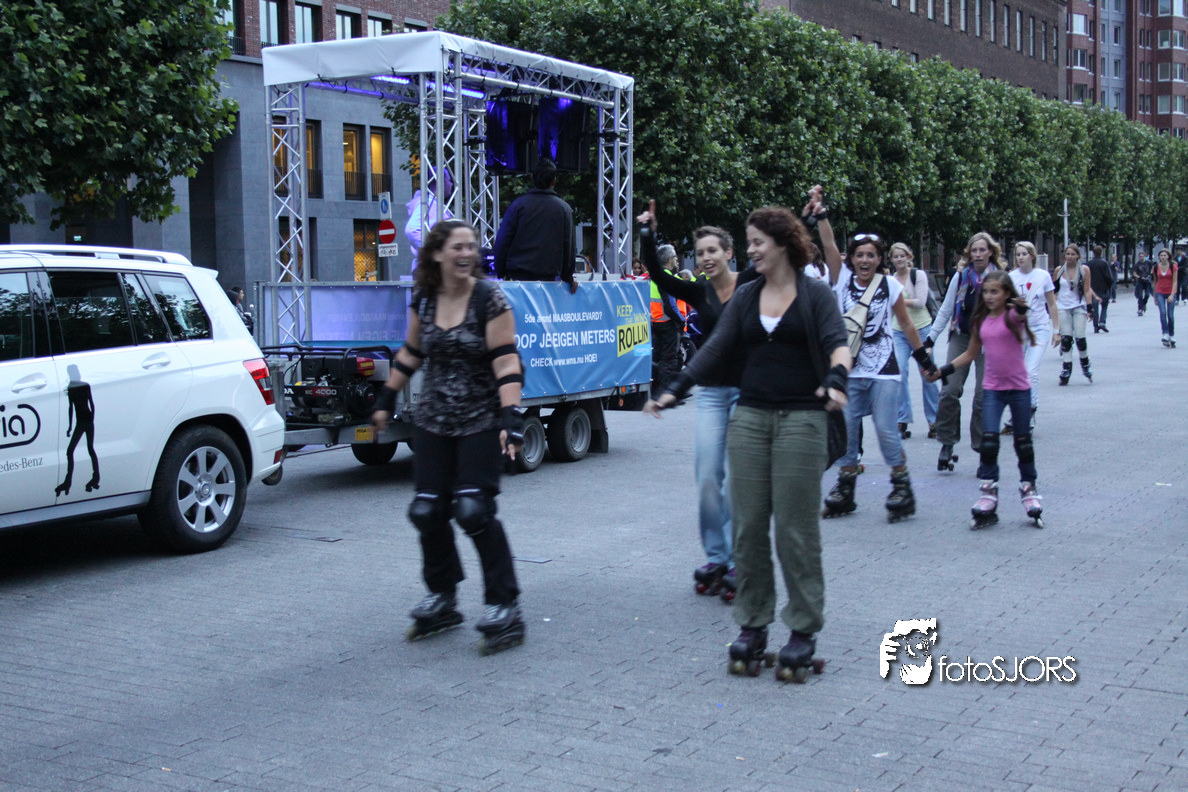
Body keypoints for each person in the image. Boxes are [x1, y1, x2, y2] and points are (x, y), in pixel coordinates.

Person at [644, 205, 849, 682]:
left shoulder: (814, 294)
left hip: (803, 416)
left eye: (757, 242)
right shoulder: (748, 295)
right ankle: (753, 624)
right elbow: (717, 345)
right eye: (749, 241)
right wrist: (677, 386)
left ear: (781, 244)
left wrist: (837, 378)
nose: (751, 249)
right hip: (751, 417)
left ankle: (802, 629)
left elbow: (837, 342)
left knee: (795, 530)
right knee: (749, 527)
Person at [371, 219, 527, 655]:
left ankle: (505, 603)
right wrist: (386, 397)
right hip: (433, 419)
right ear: (437, 253)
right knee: (427, 510)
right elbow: (412, 352)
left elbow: (506, 361)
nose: (466, 254)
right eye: (457, 246)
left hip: (481, 419)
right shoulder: (424, 298)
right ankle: (442, 595)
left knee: (473, 510)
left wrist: (511, 418)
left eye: (471, 247)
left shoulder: (489, 298)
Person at [637, 204, 742, 601]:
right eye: (700, 253)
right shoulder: (698, 290)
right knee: (708, 479)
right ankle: (717, 557)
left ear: (729, 253)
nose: (706, 258)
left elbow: (787, 259)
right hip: (713, 393)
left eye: (713, 250)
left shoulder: (751, 284)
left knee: (739, 483)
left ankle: (740, 560)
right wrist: (647, 234)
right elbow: (657, 273)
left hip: (748, 394)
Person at [822, 233, 936, 522]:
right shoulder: (842, 280)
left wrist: (923, 359)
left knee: (886, 430)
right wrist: (821, 217)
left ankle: (902, 487)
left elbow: (906, 324)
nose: (865, 260)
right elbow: (829, 246)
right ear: (851, 258)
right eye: (859, 254)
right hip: (850, 370)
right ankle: (845, 488)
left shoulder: (890, 285)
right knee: (847, 430)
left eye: (871, 255)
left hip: (884, 369)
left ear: (879, 259)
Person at [926, 271, 1043, 529]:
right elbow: (970, 354)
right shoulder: (980, 321)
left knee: (1023, 443)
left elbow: (1021, 316)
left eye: (995, 292)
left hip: (1019, 388)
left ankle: (1029, 489)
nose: (989, 296)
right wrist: (942, 371)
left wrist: (1020, 307)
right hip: (993, 389)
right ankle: (988, 493)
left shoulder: (1012, 316)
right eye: (986, 292)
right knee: (988, 442)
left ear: (1006, 294)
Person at [924, 232, 1002, 472]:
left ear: (990, 252)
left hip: (989, 342)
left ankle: (982, 451)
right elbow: (946, 309)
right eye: (974, 250)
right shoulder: (960, 277)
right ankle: (947, 443)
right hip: (961, 336)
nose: (977, 255)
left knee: (982, 397)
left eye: (982, 250)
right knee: (949, 390)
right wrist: (930, 339)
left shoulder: (999, 278)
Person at [492, 158, 577, 293]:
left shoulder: (518, 206)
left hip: (518, 280)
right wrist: (568, 277)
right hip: (549, 284)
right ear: (554, 181)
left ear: (532, 178)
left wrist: (502, 272)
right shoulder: (563, 209)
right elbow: (569, 248)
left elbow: (502, 242)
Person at [1006, 242, 1059, 433]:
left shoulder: (1042, 276)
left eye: (1024, 254)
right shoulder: (1011, 277)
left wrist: (1056, 329)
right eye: (1018, 254)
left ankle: (1030, 410)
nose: (1021, 257)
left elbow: (1051, 304)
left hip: (1039, 328)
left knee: (1031, 371)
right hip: (1018, 330)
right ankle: (1017, 411)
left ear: (1032, 256)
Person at [889, 242, 939, 440]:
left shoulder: (918, 275)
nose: (899, 259)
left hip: (921, 329)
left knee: (928, 373)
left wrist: (898, 301)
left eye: (902, 255)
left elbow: (920, 302)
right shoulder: (890, 279)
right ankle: (902, 419)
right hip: (899, 331)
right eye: (896, 256)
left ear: (908, 257)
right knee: (899, 372)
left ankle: (934, 421)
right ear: (891, 259)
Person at [1054, 244, 1094, 385]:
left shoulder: (1084, 270)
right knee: (1066, 339)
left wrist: (1090, 308)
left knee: (1080, 338)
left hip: (1079, 306)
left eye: (1072, 254)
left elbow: (1087, 289)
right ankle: (1066, 368)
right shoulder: (1059, 271)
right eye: (1067, 254)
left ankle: (1085, 363)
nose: (1070, 257)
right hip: (1063, 307)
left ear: (1078, 256)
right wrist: (1053, 310)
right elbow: (1055, 291)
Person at [1085, 245, 1114, 333]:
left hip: (1092, 288)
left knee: (1095, 307)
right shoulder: (1104, 263)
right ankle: (1102, 322)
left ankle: (1095, 326)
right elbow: (1109, 277)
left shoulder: (1089, 264)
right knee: (1104, 306)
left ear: (1093, 253)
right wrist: (1109, 286)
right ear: (1101, 252)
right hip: (1103, 288)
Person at [1153, 249, 1179, 348]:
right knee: (1163, 313)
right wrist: (1155, 296)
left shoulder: (1173, 266)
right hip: (1160, 291)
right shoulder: (1156, 267)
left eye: (1164, 255)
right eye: (1161, 255)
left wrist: (1172, 295)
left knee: (1170, 314)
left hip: (1170, 291)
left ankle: (1171, 334)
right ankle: (1165, 333)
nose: (1163, 257)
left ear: (1168, 256)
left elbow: (1175, 281)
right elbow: (1155, 281)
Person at [1134, 252, 1154, 316]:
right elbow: (1134, 273)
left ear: (1145, 256)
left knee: (1147, 295)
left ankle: (1144, 304)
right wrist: (1139, 277)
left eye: (1142, 256)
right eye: (1140, 256)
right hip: (1140, 281)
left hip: (1147, 282)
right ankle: (1140, 309)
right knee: (1140, 296)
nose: (1141, 257)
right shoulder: (1137, 264)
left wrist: (1150, 274)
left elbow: (1153, 268)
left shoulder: (1148, 263)